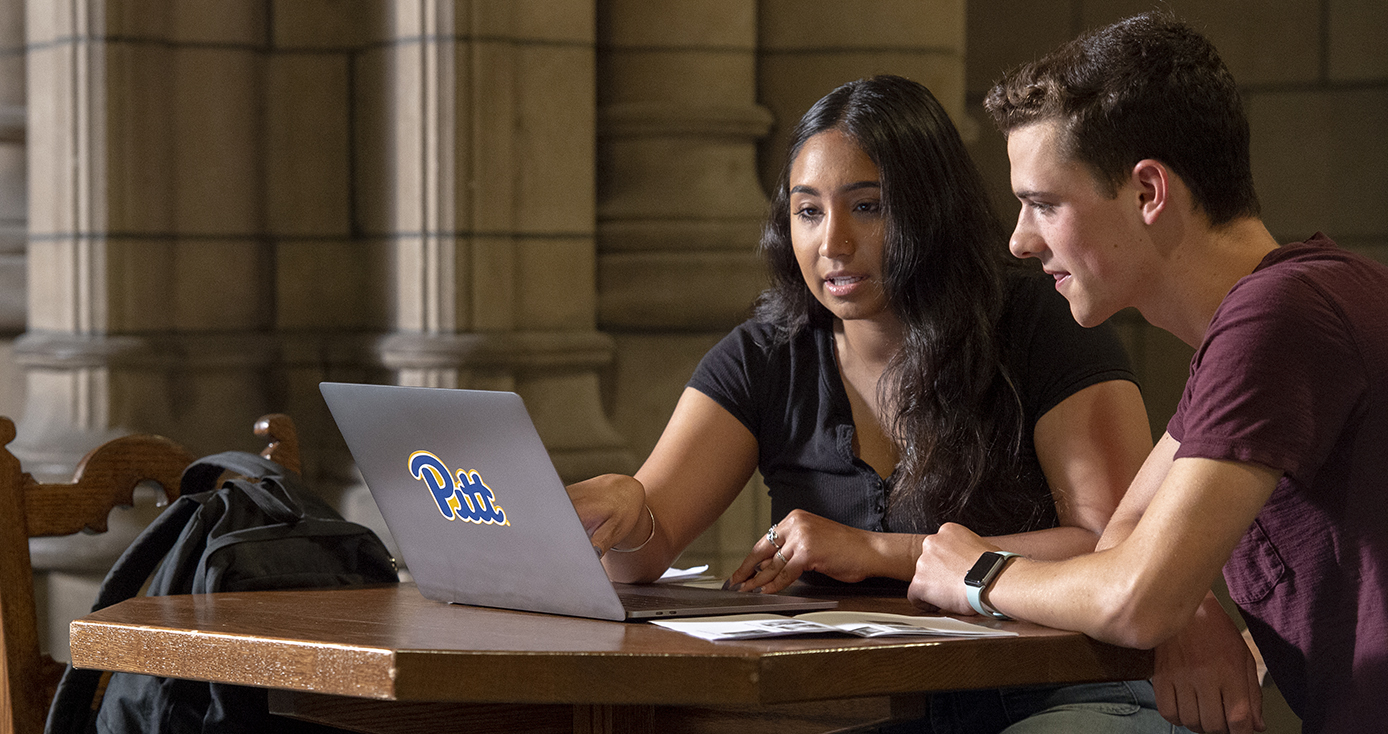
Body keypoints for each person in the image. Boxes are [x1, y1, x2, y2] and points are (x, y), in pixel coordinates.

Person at [569, 74, 1182, 733]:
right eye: (808, 211)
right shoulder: (765, 356)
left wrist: (879, 551)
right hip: (864, 708)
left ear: (930, 208)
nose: (831, 242)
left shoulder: (1039, 322)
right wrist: (627, 516)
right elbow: (645, 550)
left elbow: (1110, 550)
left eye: (867, 207)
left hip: (1063, 698)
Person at [907, 12, 1388, 734]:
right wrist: (1184, 610)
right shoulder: (1273, 310)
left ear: (1147, 193)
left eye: (1044, 203)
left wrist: (975, 575)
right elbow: (1124, 547)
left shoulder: (1278, 316)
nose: (1019, 240)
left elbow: (1135, 597)